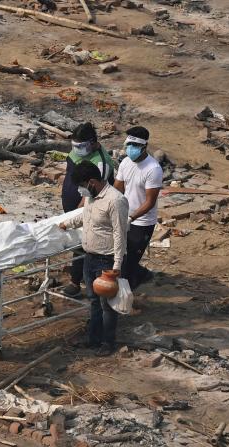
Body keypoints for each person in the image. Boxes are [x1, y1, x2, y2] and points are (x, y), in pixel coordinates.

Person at [60, 161, 128, 356]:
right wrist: (66, 224)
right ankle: (94, 339)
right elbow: (85, 216)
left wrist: (116, 265)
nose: (81, 191)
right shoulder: (92, 197)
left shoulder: (115, 201)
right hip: (89, 257)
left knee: (107, 304)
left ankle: (108, 342)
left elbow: (120, 234)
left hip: (106, 260)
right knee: (93, 300)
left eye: (82, 186)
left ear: (91, 182)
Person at [60, 123, 115, 297]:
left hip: (85, 208)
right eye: (74, 146)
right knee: (76, 243)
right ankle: (81, 276)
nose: (76, 150)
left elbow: (91, 195)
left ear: (92, 142)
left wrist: (78, 212)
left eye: (80, 146)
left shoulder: (101, 163)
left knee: (84, 243)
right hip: (70, 204)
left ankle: (76, 282)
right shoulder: (78, 151)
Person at [113, 125, 163, 289]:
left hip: (142, 222)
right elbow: (117, 189)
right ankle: (140, 274)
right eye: (128, 146)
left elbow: (149, 202)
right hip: (124, 216)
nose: (131, 150)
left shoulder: (153, 169)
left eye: (135, 147)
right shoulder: (126, 163)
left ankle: (129, 289)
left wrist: (132, 217)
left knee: (129, 261)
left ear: (144, 147)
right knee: (119, 257)